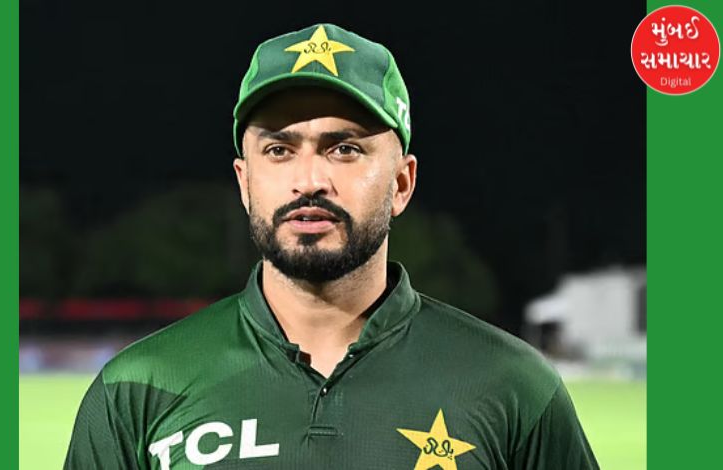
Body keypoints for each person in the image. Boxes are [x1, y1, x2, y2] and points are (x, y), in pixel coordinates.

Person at [65, 23, 598, 469]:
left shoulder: (514, 386)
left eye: (345, 149)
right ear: (244, 182)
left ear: (402, 184)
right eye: (279, 149)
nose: (309, 181)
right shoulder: (136, 388)